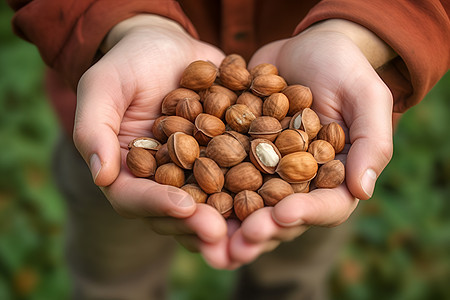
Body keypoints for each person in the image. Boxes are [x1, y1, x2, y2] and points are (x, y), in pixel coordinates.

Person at [8, 0, 450, 299]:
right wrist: (127, 24)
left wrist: (357, 35)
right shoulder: (191, 128)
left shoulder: (308, 140)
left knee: (295, 262)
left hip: (336, 131)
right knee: (112, 270)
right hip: (119, 117)